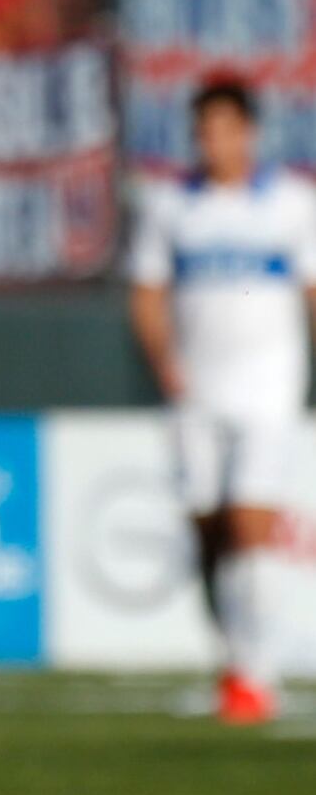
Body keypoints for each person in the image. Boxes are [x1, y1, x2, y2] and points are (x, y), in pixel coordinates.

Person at [127, 78, 316, 727]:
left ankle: (257, 673)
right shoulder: (170, 206)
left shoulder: (291, 204)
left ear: (249, 133)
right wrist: (165, 365)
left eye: (226, 129)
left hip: (269, 386)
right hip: (195, 391)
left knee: (249, 521)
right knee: (208, 532)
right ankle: (235, 660)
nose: (214, 142)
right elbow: (147, 293)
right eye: (203, 131)